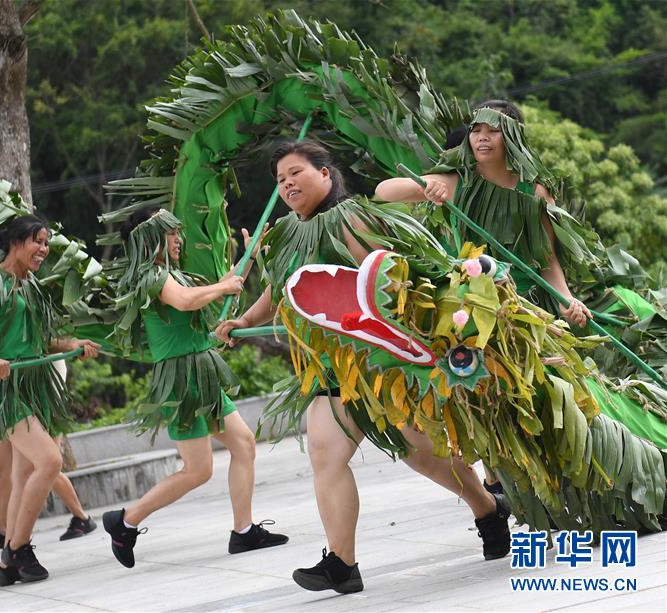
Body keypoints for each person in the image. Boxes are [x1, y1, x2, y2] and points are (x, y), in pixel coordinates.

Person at [216, 141, 510, 594]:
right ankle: (342, 563)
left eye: (296, 172)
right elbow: (279, 290)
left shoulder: (351, 218)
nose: (288, 183)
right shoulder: (286, 234)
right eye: (280, 179)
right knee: (325, 454)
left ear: (326, 174)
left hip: (379, 362)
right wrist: (246, 319)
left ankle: (487, 510)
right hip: (329, 370)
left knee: (422, 455)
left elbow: (387, 277)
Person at [101, 208, 288, 569]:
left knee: (244, 443)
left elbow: (213, 291)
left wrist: (246, 259)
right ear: (149, 237)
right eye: (171, 233)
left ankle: (243, 530)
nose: (178, 239)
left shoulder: (173, 274)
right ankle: (124, 521)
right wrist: (223, 285)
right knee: (198, 470)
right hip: (179, 379)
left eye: (177, 233)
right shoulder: (150, 276)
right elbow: (187, 301)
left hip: (200, 372)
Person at [0, 215, 100, 585]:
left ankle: (6, 566)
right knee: (50, 460)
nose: (44, 250)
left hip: (36, 386)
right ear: (15, 242)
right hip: (6, 388)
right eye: (38, 242)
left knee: (23, 475)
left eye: (47, 243)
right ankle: (19, 547)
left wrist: (73, 346)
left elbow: (40, 342)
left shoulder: (30, 285)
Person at [375, 99, 592, 327]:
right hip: (468, 301)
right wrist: (428, 188)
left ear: (514, 136)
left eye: (493, 130)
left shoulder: (536, 191)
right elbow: (384, 191)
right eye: (476, 130)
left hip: (524, 307)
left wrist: (565, 299)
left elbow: (546, 257)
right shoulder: (457, 182)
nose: (482, 137)